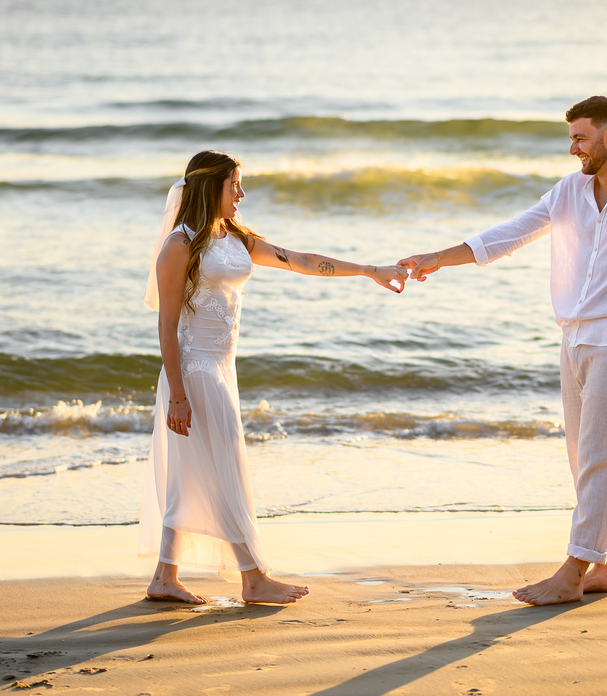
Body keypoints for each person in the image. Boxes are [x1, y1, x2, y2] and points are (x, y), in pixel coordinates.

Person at [400, 96, 607, 606]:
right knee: (587, 459)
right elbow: (510, 235)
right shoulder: (567, 193)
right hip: (574, 340)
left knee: (601, 460)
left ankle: (574, 571)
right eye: (572, 138)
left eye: (580, 138)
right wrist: (438, 258)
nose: (572, 148)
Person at [139, 150, 407, 604]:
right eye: (234, 185)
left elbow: (299, 259)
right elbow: (166, 325)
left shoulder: (236, 238)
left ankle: (165, 577)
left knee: (191, 473)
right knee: (224, 470)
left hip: (222, 369)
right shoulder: (179, 245)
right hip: (194, 372)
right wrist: (178, 397)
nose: (242, 193)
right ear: (210, 187)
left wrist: (368, 270)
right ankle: (253, 578)